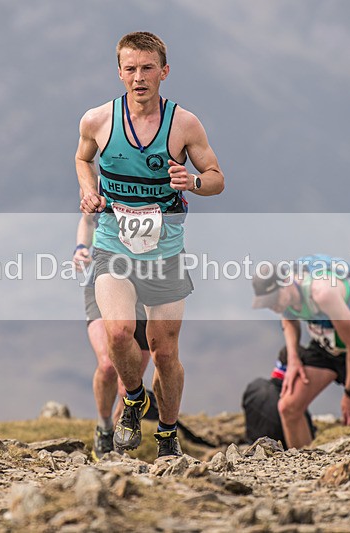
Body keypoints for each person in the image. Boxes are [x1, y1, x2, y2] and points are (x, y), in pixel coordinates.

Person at [76, 31, 224, 458]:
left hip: (164, 255)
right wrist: (89, 189)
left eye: (147, 68)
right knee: (119, 334)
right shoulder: (98, 120)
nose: (138, 77)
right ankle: (134, 398)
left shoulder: (184, 124)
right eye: (130, 68)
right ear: (119, 72)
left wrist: (193, 182)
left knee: (164, 351)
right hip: (113, 246)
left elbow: (216, 177)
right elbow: (82, 157)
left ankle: (167, 434)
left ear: (164, 71)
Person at [251, 261, 350, 449]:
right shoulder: (287, 297)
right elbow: (288, 319)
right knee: (288, 407)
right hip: (325, 346)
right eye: (267, 302)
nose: (272, 306)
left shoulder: (323, 293)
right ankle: (301, 466)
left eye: (274, 299)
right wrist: (294, 359)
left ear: (287, 282)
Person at [73, 213, 151, 461]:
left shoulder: (153, 176)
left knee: (129, 380)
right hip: (102, 276)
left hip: (146, 281)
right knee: (107, 365)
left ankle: (120, 435)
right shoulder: (102, 179)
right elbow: (87, 219)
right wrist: (81, 248)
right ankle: (104, 426)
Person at [242, 346, 316, 449]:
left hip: (251, 450)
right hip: (280, 455)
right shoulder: (293, 408)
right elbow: (307, 443)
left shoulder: (254, 387)